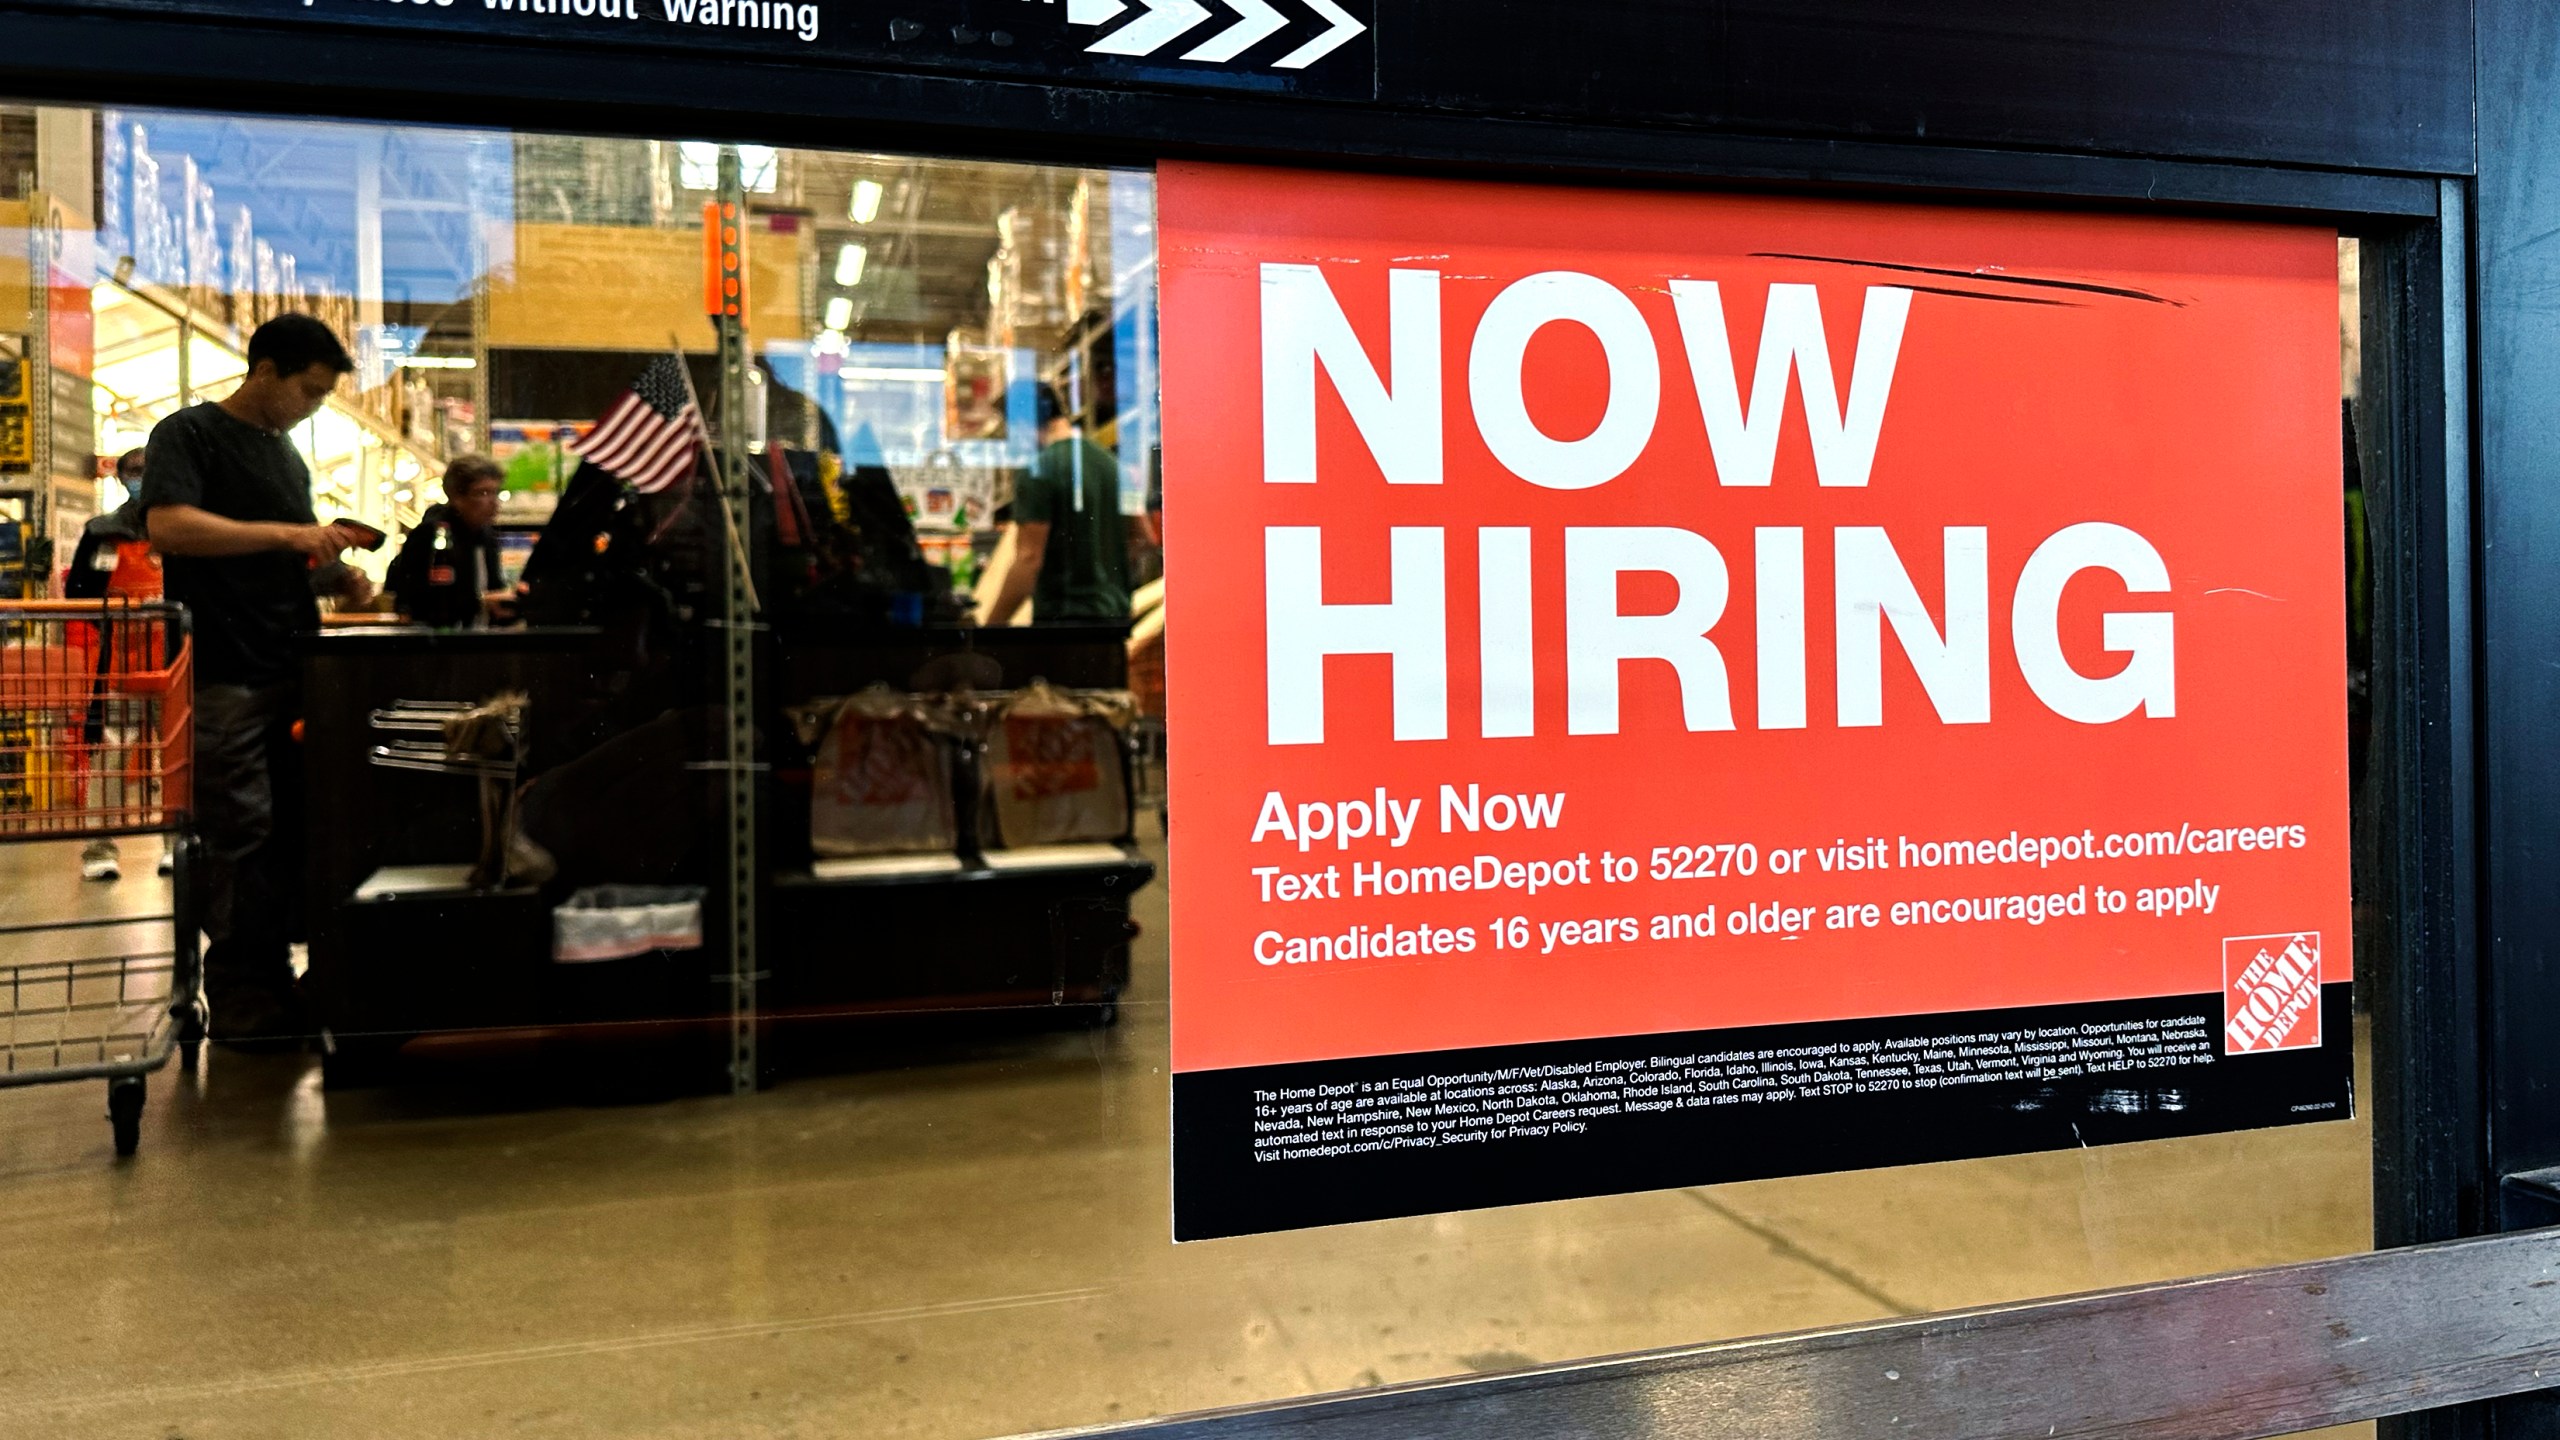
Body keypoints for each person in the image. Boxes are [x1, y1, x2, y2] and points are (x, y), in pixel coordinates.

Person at [139, 313, 373, 1047]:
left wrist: (339, 573)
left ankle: (278, 977)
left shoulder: (286, 459)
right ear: (265, 371)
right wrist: (288, 536)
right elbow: (170, 528)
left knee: (292, 827)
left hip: (289, 667)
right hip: (226, 672)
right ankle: (239, 987)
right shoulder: (189, 435)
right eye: (307, 391)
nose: (313, 407)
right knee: (239, 831)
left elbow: (289, 555)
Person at [64, 448, 169, 882]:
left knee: (179, 755)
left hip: (176, 662)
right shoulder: (103, 531)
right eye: (132, 472)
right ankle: (98, 850)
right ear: (120, 477)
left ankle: (177, 844)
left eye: (148, 471)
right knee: (111, 753)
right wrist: (115, 618)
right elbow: (77, 591)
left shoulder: (183, 527)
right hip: (121, 665)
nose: (140, 479)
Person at [984, 384, 1141, 626]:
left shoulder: (1039, 469)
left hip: (1065, 626)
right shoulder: (1115, 467)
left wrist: (991, 627)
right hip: (1116, 624)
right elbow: (1143, 539)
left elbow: (1029, 559)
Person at [387, 454, 512, 628]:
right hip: (438, 643)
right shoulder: (431, 535)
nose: (493, 502)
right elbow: (421, 600)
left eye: (496, 492)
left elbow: (493, 587)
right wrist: (481, 602)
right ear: (457, 497)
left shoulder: (486, 537)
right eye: (482, 493)